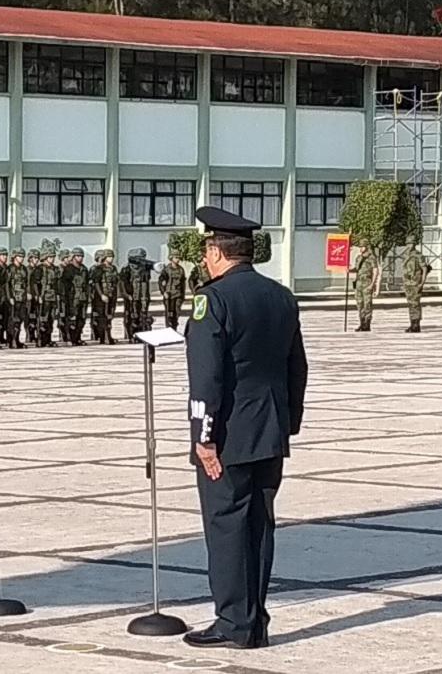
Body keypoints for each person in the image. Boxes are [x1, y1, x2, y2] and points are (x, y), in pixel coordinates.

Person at [184, 206, 308, 650]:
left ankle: (233, 622)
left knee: (226, 525)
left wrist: (204, 437)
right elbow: (297, 366)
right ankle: (255, 623)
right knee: (259, 525)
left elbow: (207, 377)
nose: (205, 260)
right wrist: (287, 422)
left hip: (229, 434)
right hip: (270, 429)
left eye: (206, 252)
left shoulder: (213, 300)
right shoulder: (281, 296)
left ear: (217, 252)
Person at [61, 247, 90, 345]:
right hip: (72, 298)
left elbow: (87, 284)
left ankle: (77, 338)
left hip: (82, 297)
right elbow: (65, 285)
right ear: (73, 257)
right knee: (71, 319)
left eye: (81, 256)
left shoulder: (84, 269)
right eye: (78, 256)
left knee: (82, 319)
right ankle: (70, 338)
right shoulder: (68, 269)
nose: (80, 258)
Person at [401, 236, 429, 333]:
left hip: (416, 282)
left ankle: (416, 324)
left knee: (415, 303)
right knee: (410, 303)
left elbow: (424, 269)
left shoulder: (418, 255)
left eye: (411, 243)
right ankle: (412, 323)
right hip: (407, 282)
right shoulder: (405, 255)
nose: (410, 245)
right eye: (408, 243)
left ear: (414, 244)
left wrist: (422, 282)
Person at [351, 238, 380, 332]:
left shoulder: (371, 258)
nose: (361, 248)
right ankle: (362, 322)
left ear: (367, 247)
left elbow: (375, 270)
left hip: (367, 282)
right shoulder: (359, 258)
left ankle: (367, 324)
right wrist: (349, 270)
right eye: (360, 246)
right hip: (358, 283)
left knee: (367, 304)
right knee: (360, 304)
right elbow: (357, 269)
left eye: (363, 246)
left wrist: (373, 284)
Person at [91, 249, 119, 344]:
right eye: (109, 257)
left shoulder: (113, 268)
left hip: (112, 295)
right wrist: (101, 295)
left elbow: (116, 282)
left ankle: (109, 335)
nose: (111, 259)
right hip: (102, 296)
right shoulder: (99, 269)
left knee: (110, 315)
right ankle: (103, 337)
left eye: (112, 257)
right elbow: (96, 283)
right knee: (102, 317)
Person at [36, 249, 60, 347]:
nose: (52, 259)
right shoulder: (40, 269)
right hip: (44, 296)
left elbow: (57, 283)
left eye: (53, 257)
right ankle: (41, 339)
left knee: (51, 318)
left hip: (53, 296)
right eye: (50, 257)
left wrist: (58, 295)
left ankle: (48, 338)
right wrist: (38, 295)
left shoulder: (55, 269)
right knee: (43, 319)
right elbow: (35, 283)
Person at [6, 248, 29, 348]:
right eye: (19, 256)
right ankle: (11, 340)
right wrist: (9, 297)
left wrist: (27, 294)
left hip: (22, 297)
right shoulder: (10, 269)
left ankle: (17, 339)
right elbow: (7, 284)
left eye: (22, 256)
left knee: (21, 319)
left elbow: (26, 283)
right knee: (13, 320)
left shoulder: (24, 269)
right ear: (14, 257)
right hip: (14, 298)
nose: (21, 258)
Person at [158, 251, 187, 331]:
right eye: (176, 258)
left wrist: (183, 295)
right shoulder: (166, 270)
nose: (178, 259)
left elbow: (183, 283)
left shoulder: (181, 269)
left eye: (178, 258)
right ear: (171, 258)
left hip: (178, 294)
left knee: (177, 313)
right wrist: (163, 292)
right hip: (169, 295)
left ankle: (174, 328)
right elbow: (161, 281)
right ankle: (169, 329)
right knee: (169, 314)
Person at [25, 248, 41, 344]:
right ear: (30, 258)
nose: (36, 260)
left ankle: (35, 334)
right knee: (29, 316)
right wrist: (28, 293)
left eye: (37, 258)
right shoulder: (27, 270)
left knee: (36, 316)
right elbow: (26, 283)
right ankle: (29, 335)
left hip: (37, 296)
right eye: (34, 258)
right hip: (29, 296)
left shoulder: (38, 270)